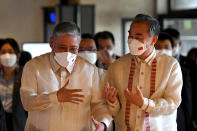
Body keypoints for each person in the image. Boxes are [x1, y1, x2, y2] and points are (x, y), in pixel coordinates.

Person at [20, 22, 112, 131]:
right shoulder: (34, 66)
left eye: (73, 48)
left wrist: (103, 124)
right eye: (62, 47)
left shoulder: (90, 70)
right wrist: (55, 97)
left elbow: (99, 105)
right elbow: (27, 102)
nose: (67, 53)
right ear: (51, 43)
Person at [104, 14, 183, 131]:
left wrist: (144, 103)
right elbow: (114, 111)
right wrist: (112, 102)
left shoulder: (171, 65)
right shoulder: (117, 66)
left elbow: (173, 102)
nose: (132, 40)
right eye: (130, 35)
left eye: (138, 36)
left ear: (154, 40)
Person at [0, 38, 27, 131]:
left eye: (10, 52)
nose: (7, 55)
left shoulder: (25, 73)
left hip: (19, 122)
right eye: (3, 52)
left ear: (17, 54)